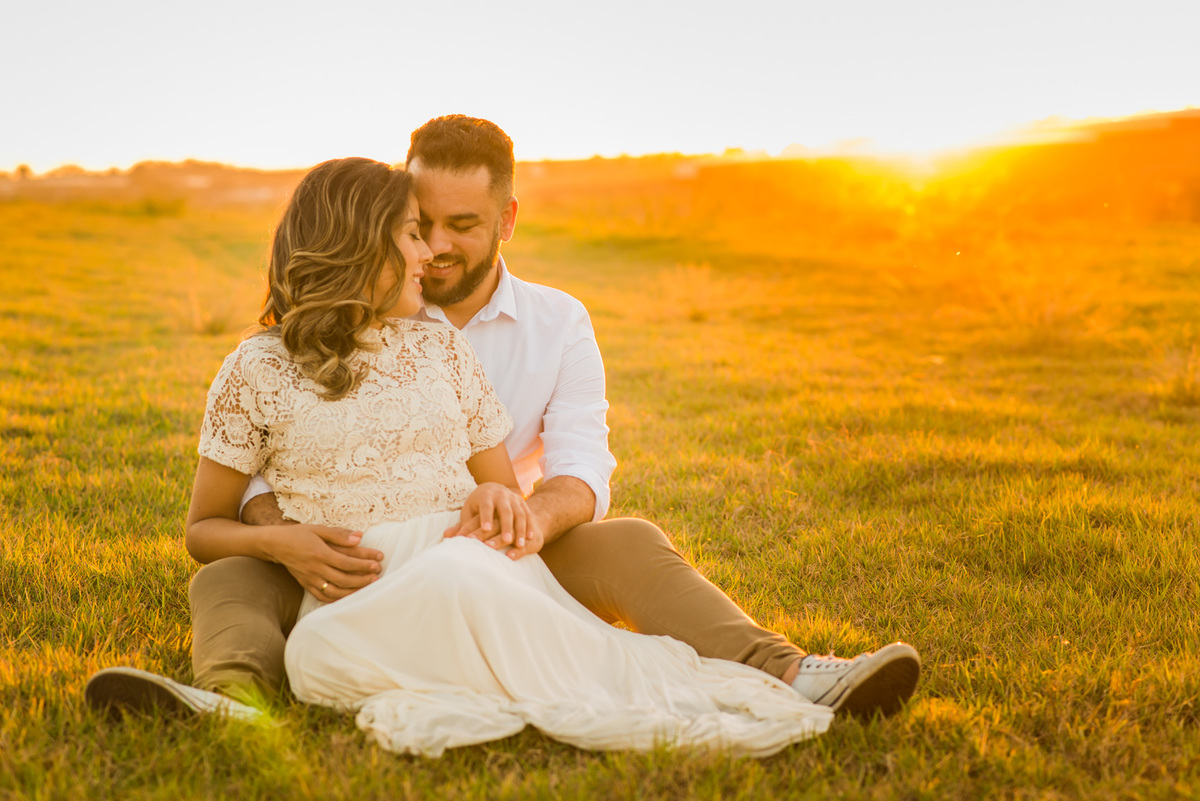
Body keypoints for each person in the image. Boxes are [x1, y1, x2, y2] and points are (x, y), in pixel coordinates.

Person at [87, 116, 919, 728]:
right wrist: (286, 535)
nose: (434, 247)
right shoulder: (271, 360)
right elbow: (253, 484)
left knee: (630, 539)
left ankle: (790, 670)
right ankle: (230, 700)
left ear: (506, 221)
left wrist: (517, 514)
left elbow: (582, 467)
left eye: (458, 227)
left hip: (491, 541)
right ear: (370, 234)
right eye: (418, 224)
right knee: (227, 578)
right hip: (329, 548)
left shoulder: (550, 325)